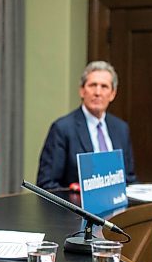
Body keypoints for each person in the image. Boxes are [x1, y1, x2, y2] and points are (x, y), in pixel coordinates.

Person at [36, 60, 137, 190]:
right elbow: (46, 185)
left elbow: (129, 179)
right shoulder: (63, 129)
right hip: (76, 208)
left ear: (113, 94)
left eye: (104, 86)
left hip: (118, 207)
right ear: (82, 91)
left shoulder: (121, 129)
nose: (98, 92)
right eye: (92, 85)